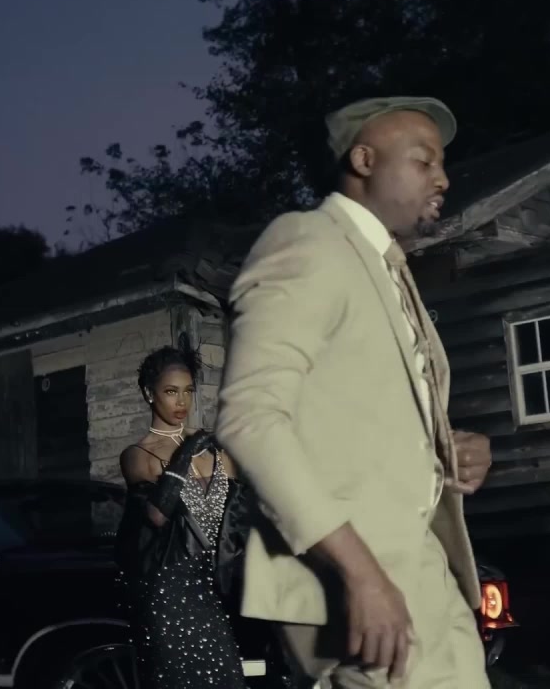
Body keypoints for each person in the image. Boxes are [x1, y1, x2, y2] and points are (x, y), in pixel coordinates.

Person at [216, 96, 494, 688]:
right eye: (423, 161)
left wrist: (446, 449)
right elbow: (249, 418)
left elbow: (358, 417)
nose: (443, 178)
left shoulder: (385, 265)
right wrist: (360, 574)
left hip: (427, 571)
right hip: (355, 585)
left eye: (442, 164)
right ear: (364, 160)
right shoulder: (307, 242)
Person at [114, 347, 248, 689]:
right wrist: (187, 450)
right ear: (150, 393)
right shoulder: (137, 456)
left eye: (188, 391)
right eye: (171, 391)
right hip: (168, 592)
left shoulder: (216, 450)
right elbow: (157, 514)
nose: (182, 401)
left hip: (213, 589)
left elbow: (240, 515)